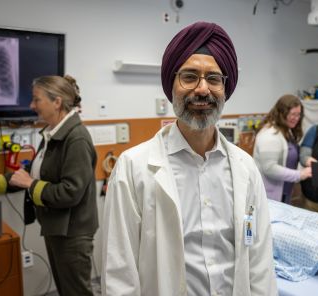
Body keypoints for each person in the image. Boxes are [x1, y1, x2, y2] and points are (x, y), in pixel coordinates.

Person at [100, 22, 276, 296]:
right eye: (190, 76)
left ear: (225, 88)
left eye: (214, 79)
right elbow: (119, 270)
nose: (203, 89)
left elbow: (259, 255)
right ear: (171, 85)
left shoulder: (246, 168)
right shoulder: (133, 167)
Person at [0, 75, 98, 296]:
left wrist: (31, 183)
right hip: (56, 227)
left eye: (36, 99)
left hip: (72, 233)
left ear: (57, 102)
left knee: (76, 292)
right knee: (66, 290)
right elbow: (25, 176)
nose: (31, 105)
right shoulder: (52, 135)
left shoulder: (76, 139)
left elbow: (69, 193)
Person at [253, 94, 312, 204]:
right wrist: (299, 174)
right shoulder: (270, 135)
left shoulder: (285, 129)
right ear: (281, 113)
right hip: (269, 196)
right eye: (293, 114)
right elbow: (270, 168)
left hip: (284, 192)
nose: (296, 118)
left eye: (298, 115)